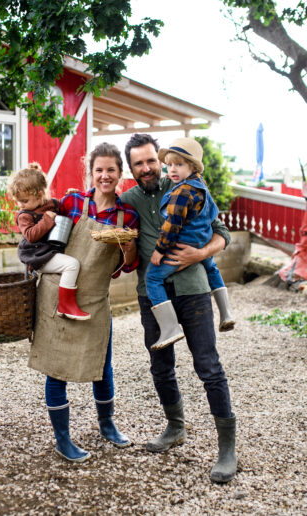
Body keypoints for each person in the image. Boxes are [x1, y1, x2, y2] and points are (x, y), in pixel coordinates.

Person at [120, 133, 237, 483]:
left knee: (209, 367)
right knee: (160, 366)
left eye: (151, 160)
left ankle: (227, 448)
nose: (147, 168)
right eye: (138, 163)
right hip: (151, 296)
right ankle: (175, 427)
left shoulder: (190, 188)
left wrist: (200, 253)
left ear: (161, 159)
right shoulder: (129, 201)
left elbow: (223, 235)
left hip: (193, 291)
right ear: (132, 168)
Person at [27, 143, 139, 462]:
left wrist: (127, 247)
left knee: (102, 367)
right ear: (90, 172)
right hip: (58, 295)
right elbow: (48, 239)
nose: (105, 175)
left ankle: (107, 425)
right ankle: (63, 439)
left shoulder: (125, 215)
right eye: (99, 170)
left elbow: (128, 265)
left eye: (111, 170)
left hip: (94, 299)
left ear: (120, 174)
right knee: (56, 367)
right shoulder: (73, 202)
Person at [146, 137, 235, 351]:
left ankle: (170, 328)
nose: (172, 169)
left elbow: (172, 225)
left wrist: (159, 250)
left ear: (192, 166)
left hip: (183, 245)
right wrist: (202, 252)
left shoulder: (181, 192)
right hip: (201, 240)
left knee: (152, 278)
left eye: (179, 164)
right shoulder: (201, 187)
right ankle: (226, 313)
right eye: (169, 165)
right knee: (211, 267)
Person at [7, 162, 90, 320]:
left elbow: (65, 207)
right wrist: (45, 220)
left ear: (39, 195)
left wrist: (71, 196)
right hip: (38, 256)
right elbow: (31, 235)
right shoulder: (25, 215)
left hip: (50, 251)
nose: (21, 205)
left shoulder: (51, 204)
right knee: (72, 265)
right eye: (19, 201)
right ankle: (66, 305)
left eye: (24, 201)